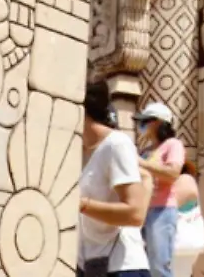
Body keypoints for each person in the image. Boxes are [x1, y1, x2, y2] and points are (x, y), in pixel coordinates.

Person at [78, 80, 149, 277]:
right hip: (90, 266)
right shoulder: (78, 151)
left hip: (123, 268)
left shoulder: (116, 145)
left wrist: (81, 204)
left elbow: (135, 213)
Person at [134, 101, 186, 277]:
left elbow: (172, 173)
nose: (142, 126)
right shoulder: (145, 151)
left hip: (161, 211)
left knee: (158, 267)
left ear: (157, 122)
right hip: (142, 211)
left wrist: (143, 164)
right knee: (142, 266)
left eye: (145, 121)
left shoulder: (173, 145)